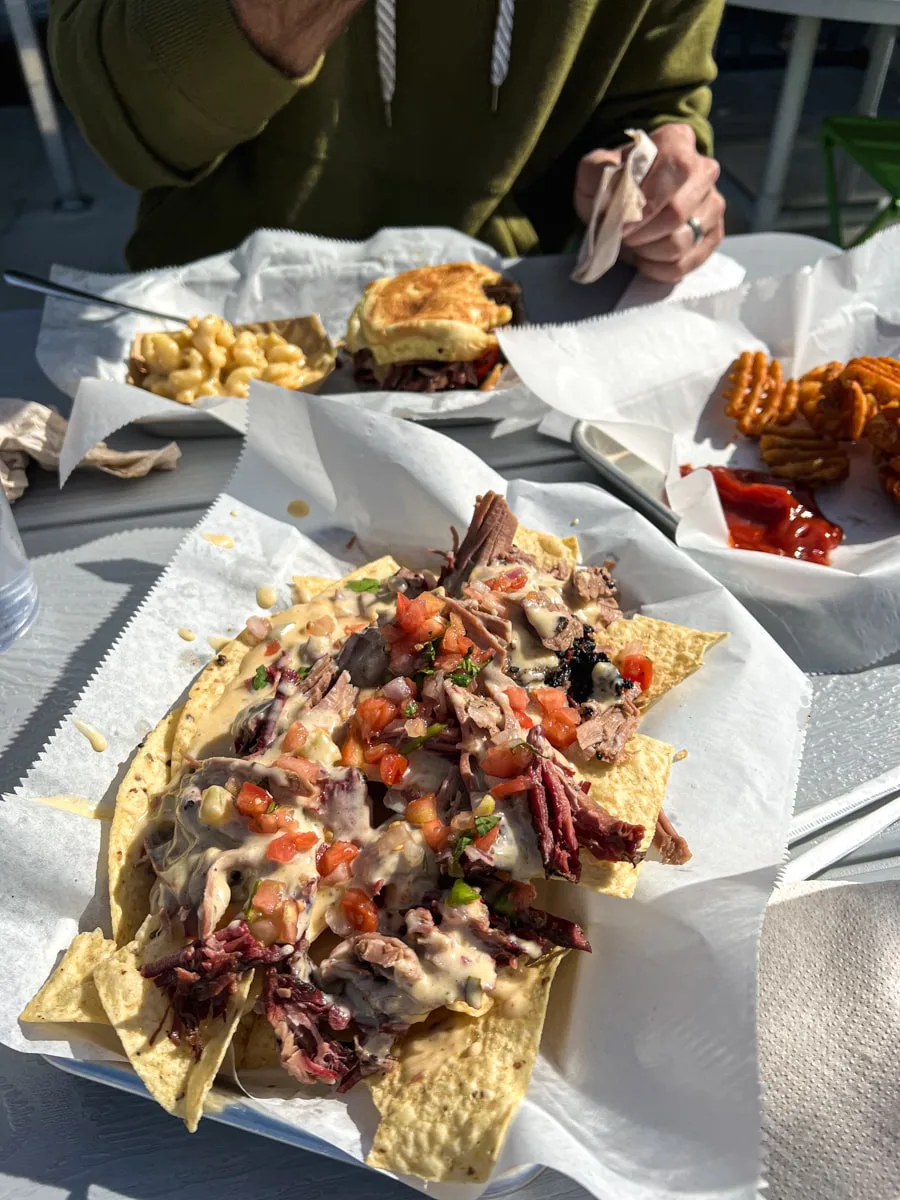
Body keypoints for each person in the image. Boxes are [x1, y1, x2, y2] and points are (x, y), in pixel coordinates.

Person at [49, 0, 726, 281]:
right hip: (213, 341)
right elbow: (126, 127)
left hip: (512, 346)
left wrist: (657, 182)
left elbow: (655, 98)